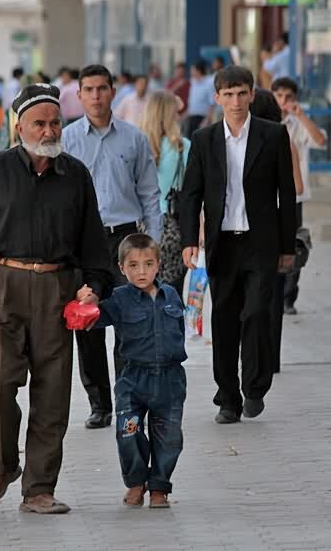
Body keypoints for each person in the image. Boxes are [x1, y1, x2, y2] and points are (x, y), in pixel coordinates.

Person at [0, 83, 112, 515]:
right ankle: (0, 465)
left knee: (53, 391)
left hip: (58, 292)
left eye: (56, 123)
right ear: (20, 127)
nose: (50, 131)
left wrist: (94, 287)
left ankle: (39, 489)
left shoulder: (75, 176)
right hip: (2, 288)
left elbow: (94, 247)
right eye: (40, 123)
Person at [180, 65, 296, 424]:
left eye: (241, 93)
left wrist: (287, 246)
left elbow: (286, 195)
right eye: (227, 94)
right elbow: (191, 193)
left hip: (261, 242)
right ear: (217, 98)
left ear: (251, 95)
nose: (235, 101)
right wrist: (188, 240)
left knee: (256, 313)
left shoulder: (272, 135)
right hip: (222, 243)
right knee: (225, 319)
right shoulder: (204, 140)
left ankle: (255, 386)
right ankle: (227, 397)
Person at [62, 64, 162, 430]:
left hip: (126, 242)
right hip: (84, 244)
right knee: (88, 322)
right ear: (79, 94)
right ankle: (99, 404)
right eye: (88, 89)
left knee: (129, 321)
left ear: (113, 91)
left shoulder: (134, 139)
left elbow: (150, 194)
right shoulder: (68, 140)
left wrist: (150, 246)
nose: (96, 96)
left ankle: (127, 399)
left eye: (102, 88)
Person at [77, 233, 187, 509]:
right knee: (129, 432)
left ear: (158, 265)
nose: (142, 271)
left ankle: (159, 488)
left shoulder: (171, 295)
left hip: (170, 380)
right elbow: (94, 319)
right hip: (134, 379)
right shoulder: (119, 298)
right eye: (134, 265)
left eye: (148, 264)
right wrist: (85, 304)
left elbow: (180, 330)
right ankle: (136, 482)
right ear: (121, 267)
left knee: (168, 436)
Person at [249, 88, 304, 375]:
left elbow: (297, 187)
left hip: (273, 224)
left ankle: (267, 359)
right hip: (274, 223)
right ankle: (267, 358)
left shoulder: (281, 141)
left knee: (269, 295)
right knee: (268, 297)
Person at [271, 77, 327, 315]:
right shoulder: (265, 121)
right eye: (279, 95)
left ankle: (288, 297)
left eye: (289, 97)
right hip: (269, 197)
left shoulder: (296, 124)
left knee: (294, 245)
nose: (283, 101)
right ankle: (272, 292)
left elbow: (320, 140)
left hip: (294, 198)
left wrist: (301, 115)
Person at [141, 91, 191, 294]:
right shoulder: (182, 147)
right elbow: (192, 191)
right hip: (173, 225)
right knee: (172, 293)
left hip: (142, 227)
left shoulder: (138, 146)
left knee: (143, 291)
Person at [184, 60, 214, 139]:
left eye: (193, 70)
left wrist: (206, 120)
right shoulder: (193, 82)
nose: (191, 72)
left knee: (201, 142)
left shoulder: (209, 83)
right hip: (191, 118)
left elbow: (212, 103)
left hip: (202, 118)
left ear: (198, 71)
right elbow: (192, 101)